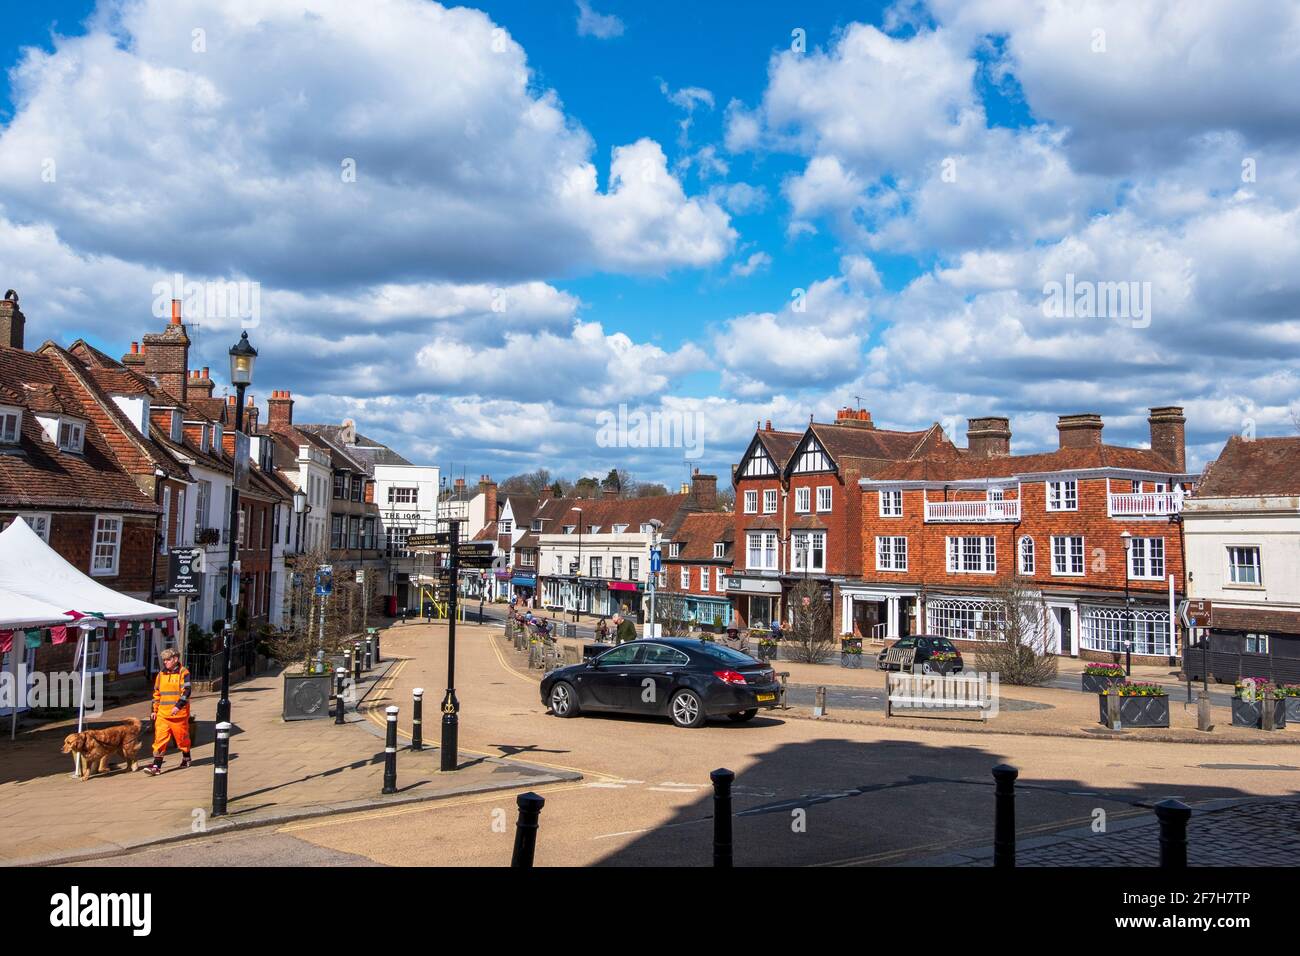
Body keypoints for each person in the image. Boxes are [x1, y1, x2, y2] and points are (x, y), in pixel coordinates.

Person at [146, 648, 192, 775]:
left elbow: (187, 691)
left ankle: (186, 756)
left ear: (175, 659)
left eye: (168, 659)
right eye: (164, 660)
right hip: (163, 714)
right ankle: (156, 766)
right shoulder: (161, 675)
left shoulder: (184, 672)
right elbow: (156, 693)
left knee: (182, 740)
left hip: (179, 715)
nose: (165, 662)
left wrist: (178, 706)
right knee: (159, 740)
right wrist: (154, 710)